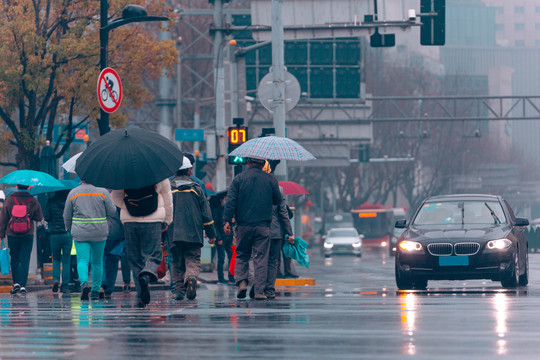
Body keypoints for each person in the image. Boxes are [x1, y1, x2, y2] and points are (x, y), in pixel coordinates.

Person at [223, 157, 287, 300]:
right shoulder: (270, 179)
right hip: (263, 225)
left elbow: (230, 202)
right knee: (261, 258)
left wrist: (227, 221)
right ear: (263, 163)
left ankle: (242, 282)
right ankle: (259, 291)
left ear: (248, 162)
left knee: (242, 254)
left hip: (243, 225)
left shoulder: (239, 179)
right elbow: (277, 200)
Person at [111, 178, 173, 308]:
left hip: (130, 220)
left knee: (134, 258)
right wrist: (167, 219)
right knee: (154, 253)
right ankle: (147, 274)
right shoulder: (158, 172)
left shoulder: (123, 173)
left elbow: (115, 199)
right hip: (154, 218)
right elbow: (167, 197)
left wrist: (129, 204)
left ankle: (140, 297)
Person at [168, 156, 216, 300]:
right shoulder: (197, 189)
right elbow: (206, 214)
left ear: (174, 172)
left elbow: (162, 213)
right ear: (189, 171)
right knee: (192, 258)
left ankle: (178, 291)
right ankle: (190, 278)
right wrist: (211, 233)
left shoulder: (168, 189)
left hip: (173, 232)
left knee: (176, 261)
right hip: (193, 232)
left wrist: (161, 238)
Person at [64, 181, 116, 301]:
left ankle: (84, 285)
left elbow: (67, 215)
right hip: (99, 231)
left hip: (80, 231)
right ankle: (95, 291)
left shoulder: (73, 193)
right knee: (97, 262)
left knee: (82, 260)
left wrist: (69, 228)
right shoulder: (103, 192)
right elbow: (112, 211)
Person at [0, 184, 44, 295]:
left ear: (17, 187)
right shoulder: (32, 200)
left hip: (12, 234)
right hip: (27, 234)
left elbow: (3, 218)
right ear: (28, 187)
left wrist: (1, 235)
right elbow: (39, 217)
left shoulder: (10, 199)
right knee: (25, 259)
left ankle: (15, 284)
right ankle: (23, 285)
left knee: (14, 258)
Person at [266, 186, 294, 299]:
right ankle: (272, 284)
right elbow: (287, 216)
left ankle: (275, 275)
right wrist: (290, 233)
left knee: (269, 258)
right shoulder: (280, 202)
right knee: (277, 257)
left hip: (268, 232)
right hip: (279, 233)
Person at [44, 189, 72, 293]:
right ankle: (65, 286)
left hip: (54, 235)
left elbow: (47, 218)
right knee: (66, 261)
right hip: (67, 234)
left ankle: (55, 280)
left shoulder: (50, 202)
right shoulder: (69, 203)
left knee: (56, 259)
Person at [210, 192, 234, 284]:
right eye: (225, 198)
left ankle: (231, 278)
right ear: (221, 199)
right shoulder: (216, 210)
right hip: (220, 239)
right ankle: (221, 279)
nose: (227, 200)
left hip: (229, 238)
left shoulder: (228, 210)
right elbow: (215, 225)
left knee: (231, 257)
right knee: (221, 258)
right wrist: (218, 238)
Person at [102, 207, 125, 299]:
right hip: (116, 232)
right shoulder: (118, 194)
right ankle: (109, 289)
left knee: (99, 259)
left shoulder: (97, 194)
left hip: (100, 230)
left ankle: (102, 282)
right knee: (112, 261)